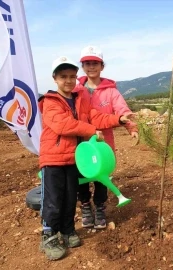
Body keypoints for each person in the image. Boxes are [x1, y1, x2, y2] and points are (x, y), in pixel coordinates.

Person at [39, 56, 134, 260]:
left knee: (70, 198)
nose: (69, 80)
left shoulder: (80, 99)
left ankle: (67, 230)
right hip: (53, 158)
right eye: (63, 76)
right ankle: (48, 235)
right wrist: (91, 129)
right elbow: (63, 125)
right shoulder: (50, 101)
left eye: (72, 76)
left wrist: (118, 119)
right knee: (54, 200)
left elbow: (96, 116)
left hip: (74, 158)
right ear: (54, 78)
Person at [75, 45, 138, 229]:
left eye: (95, 63)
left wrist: (131, 128)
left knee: (103, 176)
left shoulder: (111, 91)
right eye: (87, 63)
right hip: (82, 141)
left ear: (102, 66)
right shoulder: (78, 89)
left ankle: (100, 207)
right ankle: (86, 206)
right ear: (83, 66)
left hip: (103, 143)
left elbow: (122, 111)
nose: (91, 66)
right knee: (82, 174)